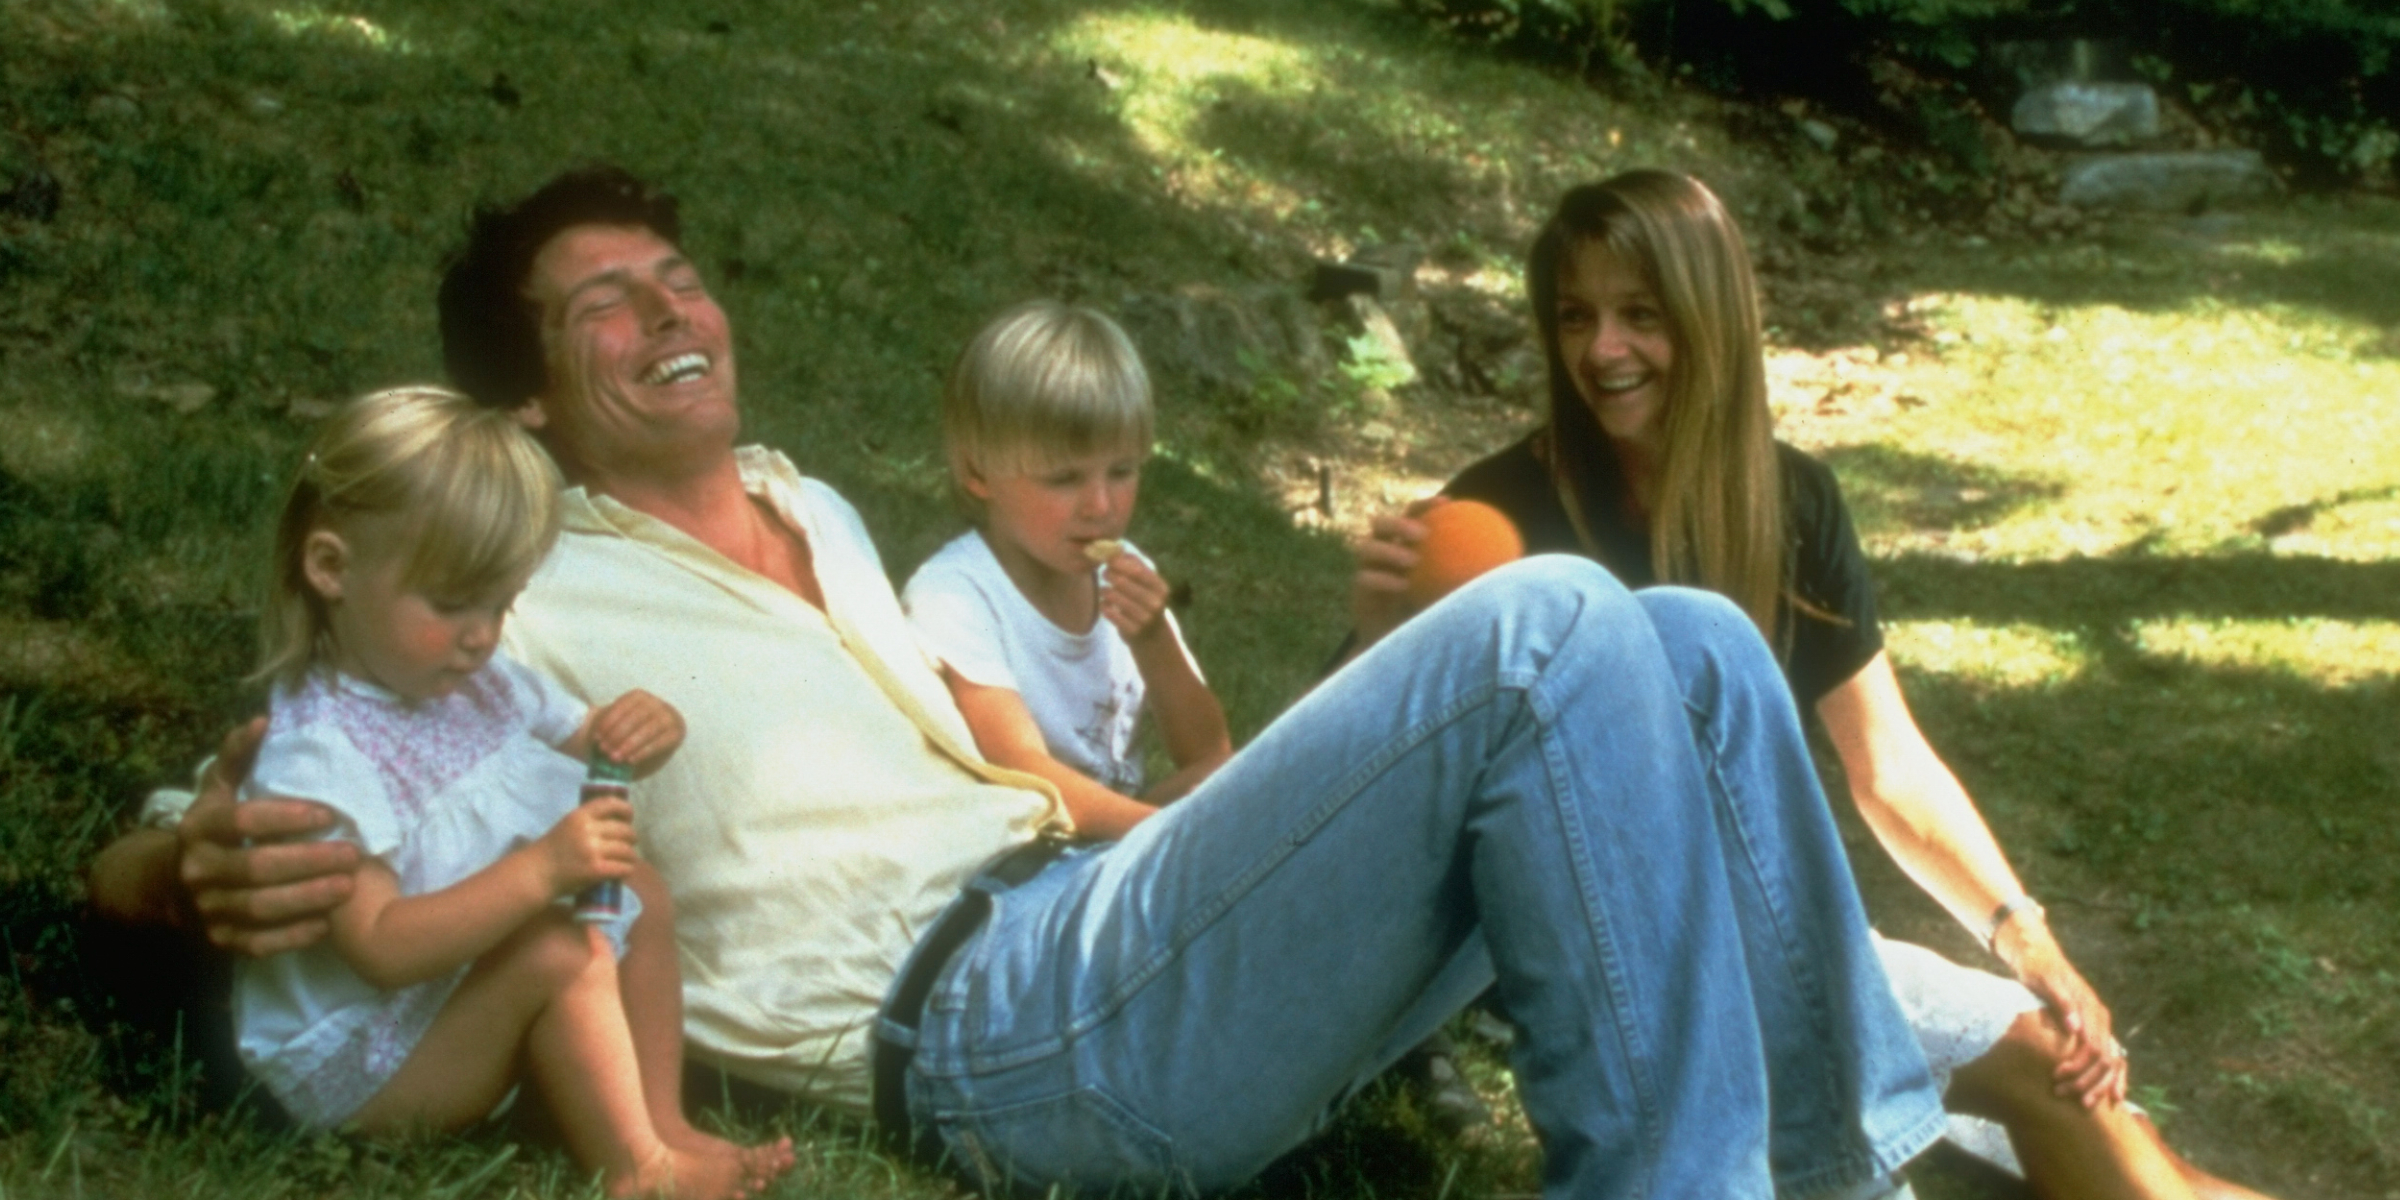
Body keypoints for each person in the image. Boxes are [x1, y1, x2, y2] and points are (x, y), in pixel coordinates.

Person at [90, 164, 1951, 1199]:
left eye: (682, 277)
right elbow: (231, 796)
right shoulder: (514, 582)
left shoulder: (802, 502)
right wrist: (186, 867)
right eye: (611, 305)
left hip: (1099, 913)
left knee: (1698, 642)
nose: (675, 315)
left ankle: (1832, 1162)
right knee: (1551, 622)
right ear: (524, 403)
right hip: (991, 1028)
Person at [1351, 169, 2274, 1200]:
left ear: (1709, 319)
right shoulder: (1496, 516)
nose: (1601, 351)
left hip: (1775, 924)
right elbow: (1388, 799)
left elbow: (1890, 767)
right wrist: (1393, 640)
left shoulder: (1792, 503)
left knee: (2085, 1097)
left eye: (1639, 316)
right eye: (1576, 317)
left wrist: (2031, 941)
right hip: (1616, 956)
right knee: (2045, 1087)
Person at [229, 384, 790, 1200]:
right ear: (330, 568)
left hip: (451, 996)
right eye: (454, 604)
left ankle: (662, 1125)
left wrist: (643, 729)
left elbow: (593, 737)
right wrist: (539, 872)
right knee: (561, 950)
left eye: (502, 604)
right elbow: (380, 946)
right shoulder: (322, 757)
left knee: (640, 889)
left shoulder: (477, 682)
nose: (483, 635)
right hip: (368, 1059)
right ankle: (639, 1172)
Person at [903, 301, 1231, 841]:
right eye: (1064, 479)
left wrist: (1154, 640)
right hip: (1021, 862)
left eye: (1122, 471)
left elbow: (1209, 752)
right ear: (977, 470)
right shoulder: (955, 597)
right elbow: (1021, 770)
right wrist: (1164, 842)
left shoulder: (1125, 572)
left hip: (1117, 842)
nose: (1101, 505)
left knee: (1230, 782)